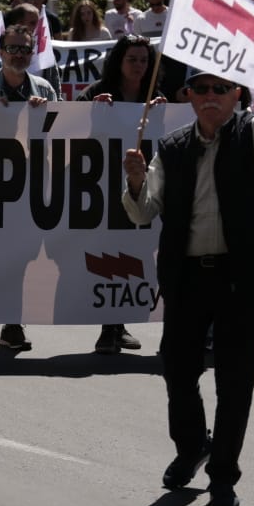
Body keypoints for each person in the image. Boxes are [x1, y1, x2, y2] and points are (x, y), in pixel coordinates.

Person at [121, 24, 254, 506]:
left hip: (241, 278)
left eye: (219, 89)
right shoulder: (172, 148)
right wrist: (136, 183)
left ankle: (223, 475)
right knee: (177, 371)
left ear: (236, 95)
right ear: (188, 95)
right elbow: (143, 213)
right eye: (200, 89)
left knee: (235, 378)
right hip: (187, 277)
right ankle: (191, 447)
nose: (209, 97)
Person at [0, 23, 60, 352]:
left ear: (32, 54)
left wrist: (39, 120)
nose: (19, 55)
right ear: (0, 52)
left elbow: (56, 142)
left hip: (27, 188)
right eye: (13, 48)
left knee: (19, 257)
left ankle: (12, 323)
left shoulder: (45, 90)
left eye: (25, 49)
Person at [77, 35, 167, 355]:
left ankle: (120, 324)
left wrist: (163, 112)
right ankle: (108, 328)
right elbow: (70, 130)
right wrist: (89, 110)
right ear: (119, 61)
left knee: (133, 254)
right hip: (99, 192)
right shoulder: (96, 94)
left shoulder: (155, 97)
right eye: (133, 59)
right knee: (107, 254)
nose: (139, 66)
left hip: (138, 192)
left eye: (144, 60)